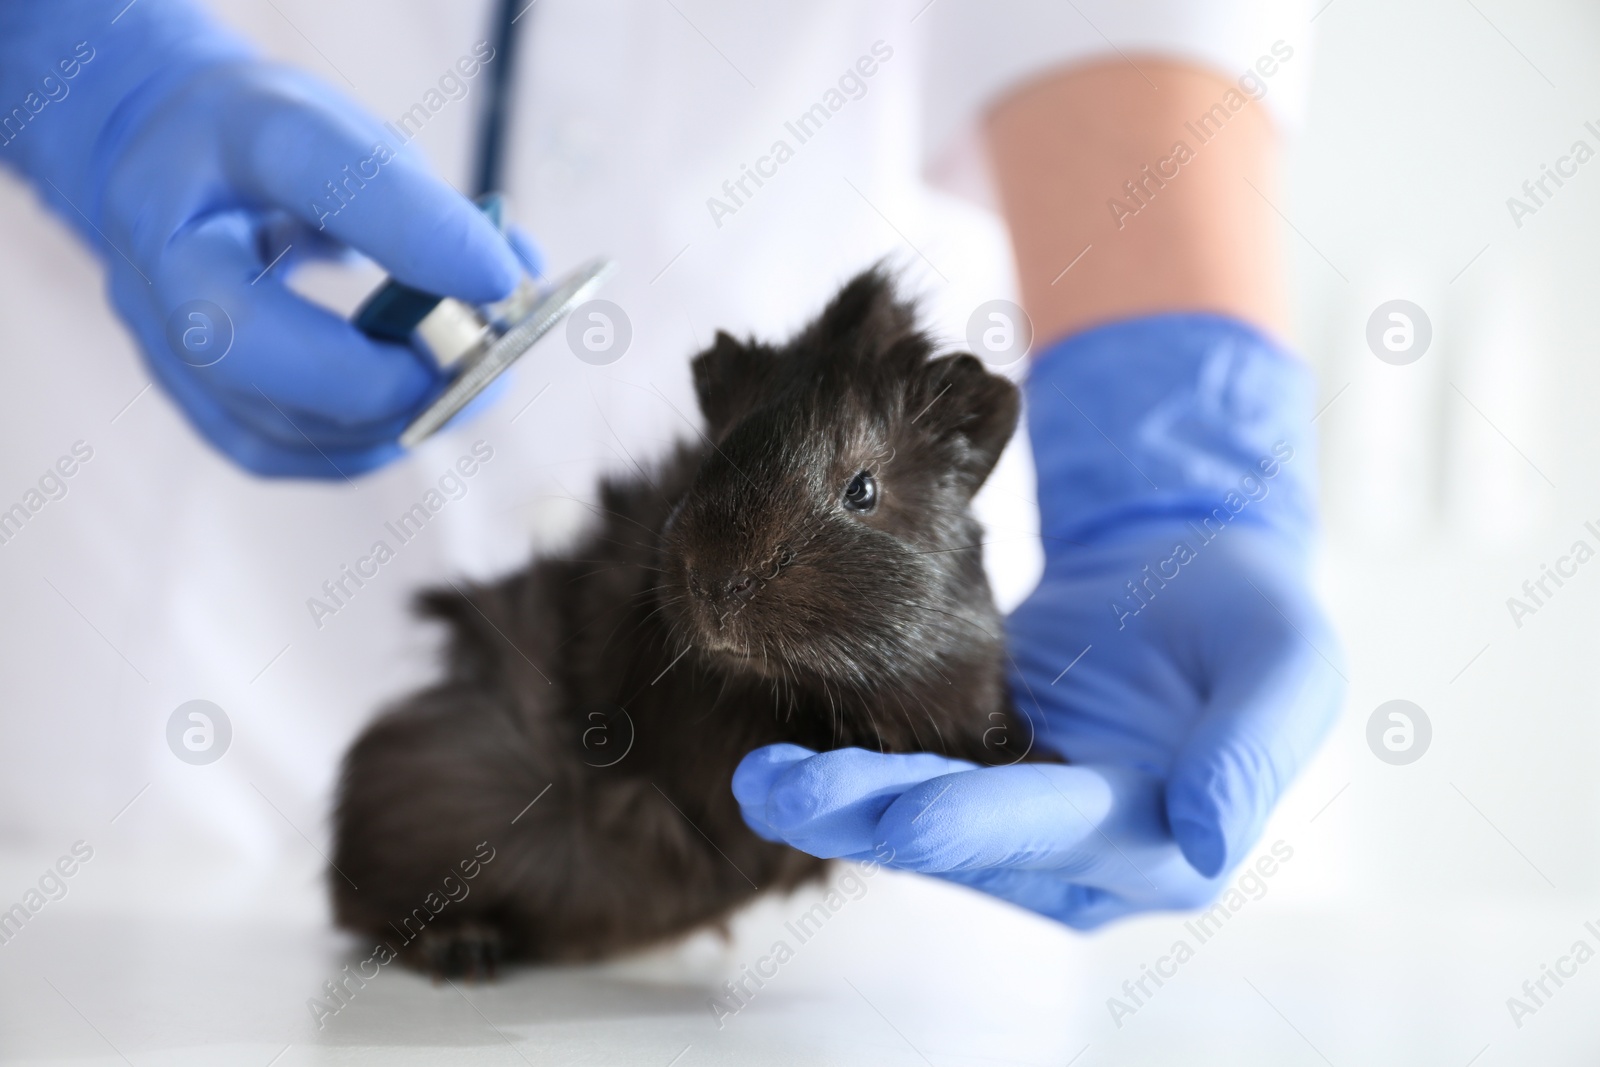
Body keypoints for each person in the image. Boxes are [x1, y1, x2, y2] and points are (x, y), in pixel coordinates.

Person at [0, 0, 1339, 929]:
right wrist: (98, 80)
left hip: (847, 965)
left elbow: (1116, 23)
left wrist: (1173, 469)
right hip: (168, 750)